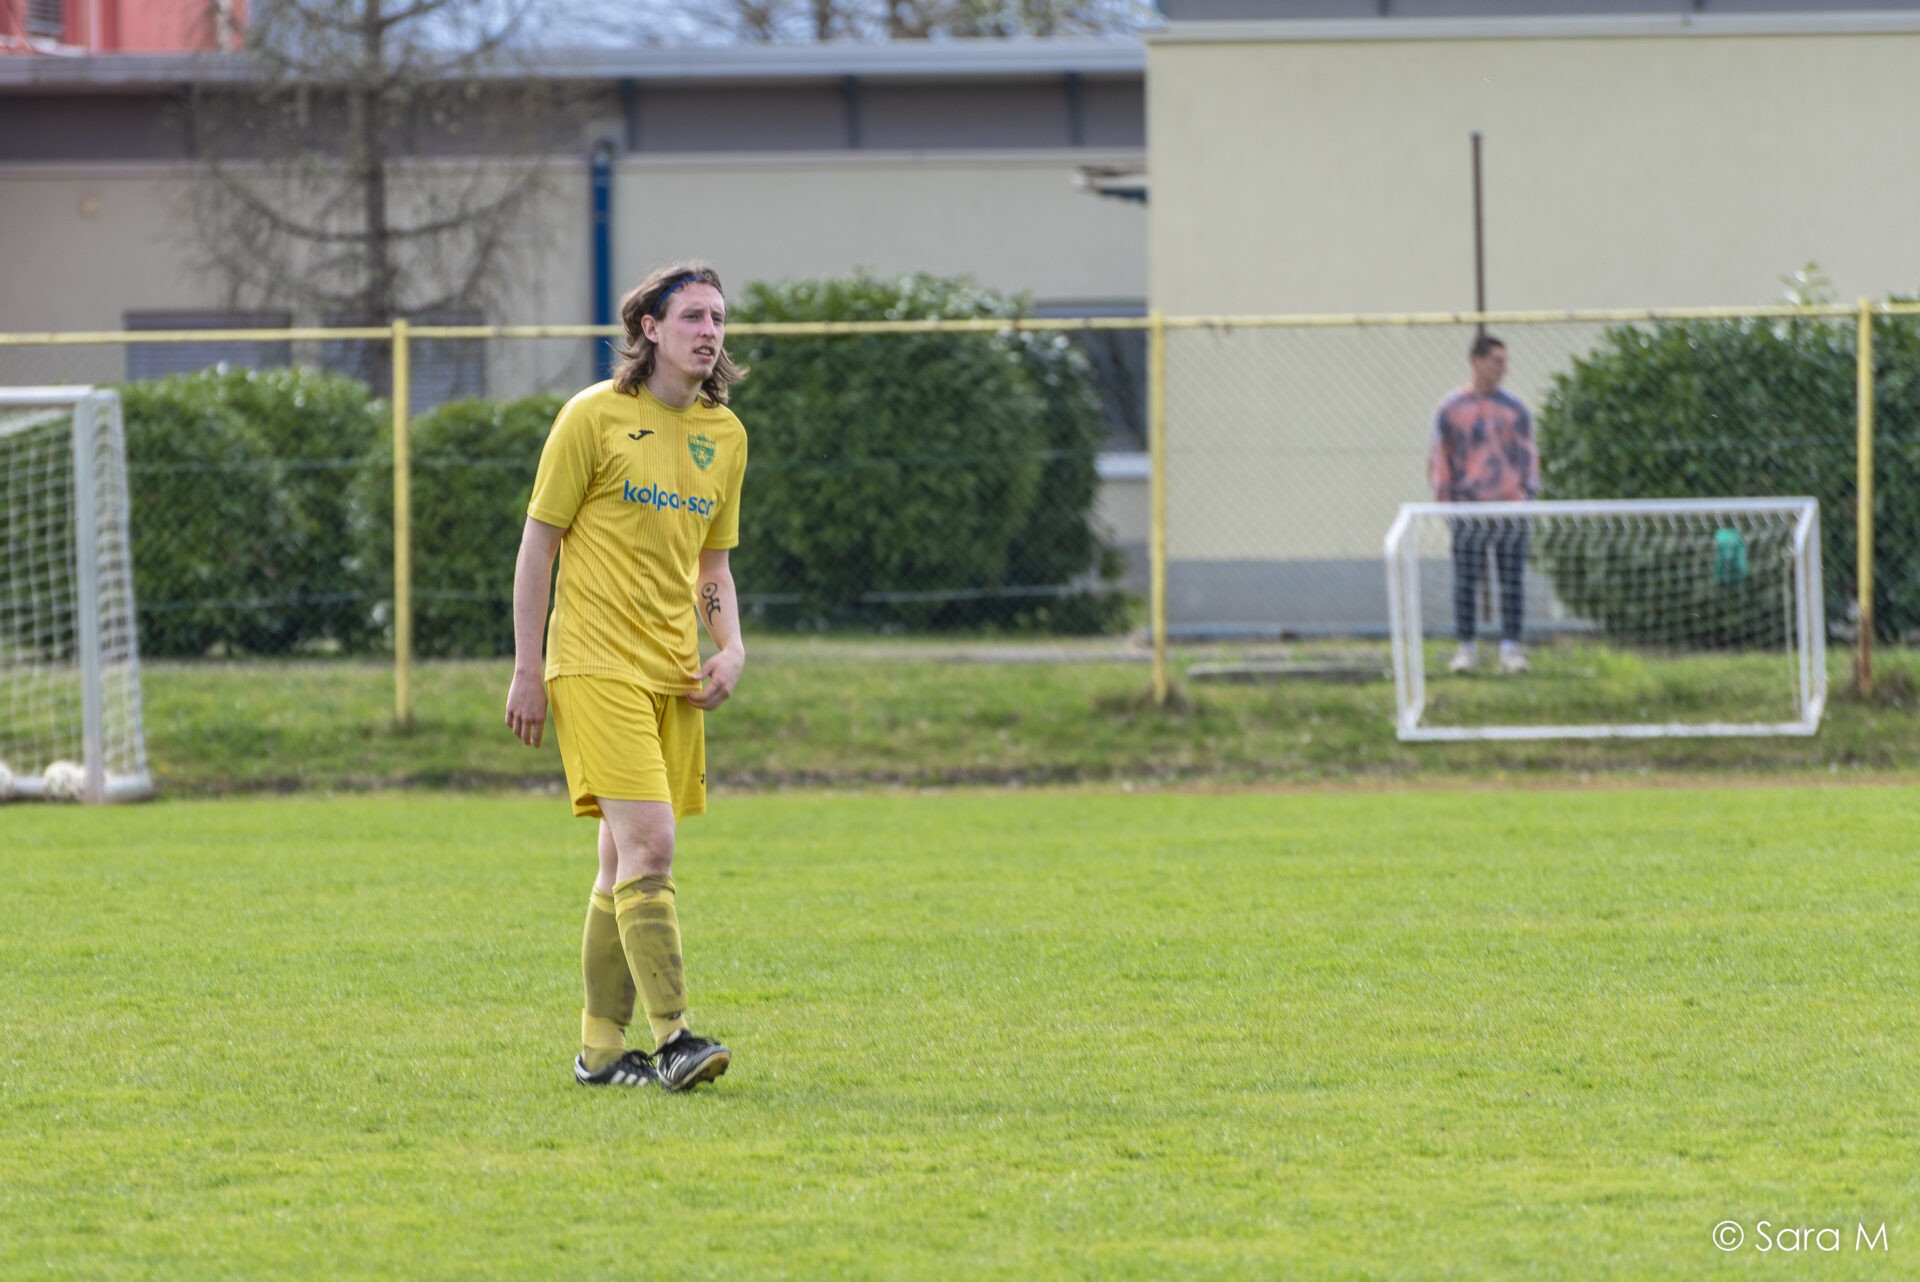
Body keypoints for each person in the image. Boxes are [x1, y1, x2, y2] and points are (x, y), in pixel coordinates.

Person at [504, 261, 749, 1091]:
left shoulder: (725, 435)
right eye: (693, 317)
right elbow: (538, 544)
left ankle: (602, 1055)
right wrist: (527, 667)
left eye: (718, 319)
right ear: (650, 328)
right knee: (652, 843)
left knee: (619, 863)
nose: (709, 332)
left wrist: (731, 646)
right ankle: (675, 1037)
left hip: (672, 672)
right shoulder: (594, 416)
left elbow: (713, 564)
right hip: (593, 663)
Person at [1429, 332, 1539, 675]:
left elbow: (1529, 457)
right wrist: (1447, 503)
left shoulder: (1515, 410)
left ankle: (1511, 649)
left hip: (1510, 509)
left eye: (1505, 362)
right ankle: (1466, 648)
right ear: (1477, 362)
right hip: (1468, 509)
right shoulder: (1450, 409)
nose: (1503, 368)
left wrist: (1526, 498)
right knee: (1465, 581)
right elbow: (1439, 459)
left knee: (1512, 580)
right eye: (1496, 361)